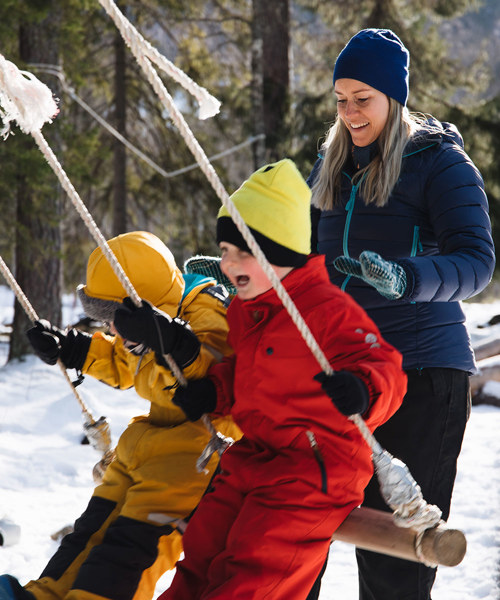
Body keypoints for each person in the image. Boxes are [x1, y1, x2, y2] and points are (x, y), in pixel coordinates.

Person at [158, 158, 407, 599]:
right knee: (200, 549)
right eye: (224, 251)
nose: (228, 263)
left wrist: (363, 390)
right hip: (255, 455)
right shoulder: (247, 308)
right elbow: (247, 372)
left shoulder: (326, 309)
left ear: (279, 253)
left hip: (314, 470)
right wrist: (214, 391)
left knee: (256, 570)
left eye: (242, 253)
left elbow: (385, 366)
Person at [307, 28, 495, 600]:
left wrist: (409, 277)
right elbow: (309, 256)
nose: (350, 112)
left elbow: (477, 261)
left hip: (421, 374)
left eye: (363, 99)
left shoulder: (439, 163)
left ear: (394, 97)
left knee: (397, 561)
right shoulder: (330, 164)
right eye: (341, 100)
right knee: (297, 532)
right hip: (347, 374)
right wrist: (248, 274)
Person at [0, 231, 241, 600]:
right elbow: (124, 362)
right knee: (90, 532)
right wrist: (74, 348)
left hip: (196, 454)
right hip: (146, 445)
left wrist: (178, 344)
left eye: (115, 317)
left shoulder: (205, 308)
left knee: (130, 546)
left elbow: (218, 372)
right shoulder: (142, 326)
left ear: (143, 302)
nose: (112, 327)